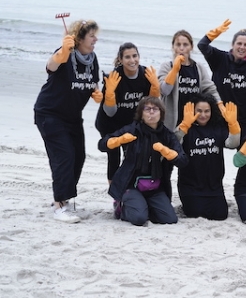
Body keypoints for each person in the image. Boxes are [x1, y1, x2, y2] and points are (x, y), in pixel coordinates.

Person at [34, 19, 101, 223]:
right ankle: (59, 206)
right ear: (79, 38)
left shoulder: (92, 58)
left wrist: (96, 94)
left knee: (78, 156)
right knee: (64, 156)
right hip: (50, 114)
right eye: (91, 35)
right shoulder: (65, 53)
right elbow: (51, 66)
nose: (95, 39)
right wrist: (63, 52)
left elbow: (92, 82)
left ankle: (63, 198)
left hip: (72, 117)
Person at [99, 97, 187, 226]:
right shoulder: (132, 130)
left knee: (169, 219)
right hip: (131, 185)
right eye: (147, 109)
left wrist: (167, 152)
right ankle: (121, 206)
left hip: (155, 186)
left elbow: (183, 161)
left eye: (155, 109)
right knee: (139, 218)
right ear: (141, 114)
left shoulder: (167, 135)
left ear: (161, 113)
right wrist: (118, 141)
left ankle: (143, 205)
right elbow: (102, 145)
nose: (151, 112)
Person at [95, 42, 160, 184]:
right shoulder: (114, 77)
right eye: (127, 57)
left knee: (132, 154)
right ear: (121, 59)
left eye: (135, 56)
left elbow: (152, 106)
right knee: (113, 156)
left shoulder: (145, 75)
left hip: (131, 123)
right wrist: (110, 92)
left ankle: (128, 187)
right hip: (109, 123)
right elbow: (110, 112)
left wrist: (155, 87)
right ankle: (115, 193)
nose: (132, 60)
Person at [198, 20, 246, 143]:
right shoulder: (220, 58)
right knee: (214, 153)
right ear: (233, 44)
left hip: (242, 119)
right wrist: (214, 33)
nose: (242, 47)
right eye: (239, 43)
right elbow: (202, 45)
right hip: (218, 116)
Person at [174, 94, 241, 220]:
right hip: (190, 185)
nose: (203, 115)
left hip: (214, 186)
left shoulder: (218, 127)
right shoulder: (187, 127)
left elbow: (232, 144)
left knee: (220, 215)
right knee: (195, 212)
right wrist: (184, 125)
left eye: (207, 111)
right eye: (199, 111)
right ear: (193, 111)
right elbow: (175, 141)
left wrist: (233, 125)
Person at [158, 29, 222, 131]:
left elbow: (210, 89)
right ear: (173, 47)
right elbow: (165, 91)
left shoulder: (198, 68)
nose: (181, 48)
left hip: (194, 123)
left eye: (185, 45)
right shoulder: (166, 67)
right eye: (178, 45)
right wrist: (175, 70)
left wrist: (220, 104)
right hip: (171, 124)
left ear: (191, 47)